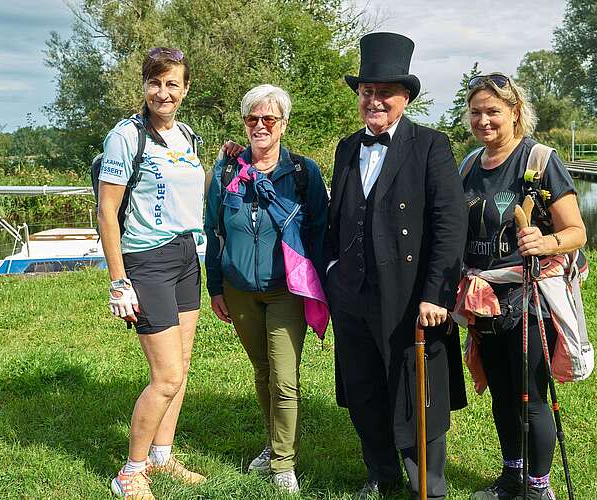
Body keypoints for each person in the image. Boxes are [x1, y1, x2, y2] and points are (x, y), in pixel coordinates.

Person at [325, 32, 468, 500]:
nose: (375, 100)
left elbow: (450, 225)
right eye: (367, 91)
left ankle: (428, 485)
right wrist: (330, 274)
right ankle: (380, 475)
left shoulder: (430, 146)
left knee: (414, 393)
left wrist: (436, 294)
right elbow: (337, 218)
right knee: (364, 390)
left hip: (410, 298)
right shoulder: (347, 148)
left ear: (405, 96)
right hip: (353, 296)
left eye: (385, 92)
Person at [456, 73, 586, 500]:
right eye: (476, 112)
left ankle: (538, 488)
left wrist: (544, 240)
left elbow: (576, 231)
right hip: (484, 296)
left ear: (515, 112)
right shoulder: (470, 164)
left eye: (493, 111)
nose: (484, 120)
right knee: (501, 393)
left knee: (530, 396)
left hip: (529, 296)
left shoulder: (540, 160)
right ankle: (513, 477)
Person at [203, 84, 329, 494]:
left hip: (285, 289)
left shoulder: (302, 173)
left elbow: (320, 231)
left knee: (285, 376)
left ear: (283, 124)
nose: (259, 126)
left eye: (268, 119)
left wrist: (323, 287)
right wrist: (216, 287)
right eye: (252, 119)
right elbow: (213, 232)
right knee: (262, 371)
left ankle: (283, 463)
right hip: (239, 289)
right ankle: (274, 444)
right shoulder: (225, 172)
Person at [98, 46, 206, 499]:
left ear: (185, 89)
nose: (164, 92)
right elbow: (107, 212)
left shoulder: (187, 135)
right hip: (147, 261)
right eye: (155, 83)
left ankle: (162, 456)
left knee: (180, 368)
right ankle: (129, 472)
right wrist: (118, 281)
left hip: (186, 258)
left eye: (173, 84)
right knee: (165, 376)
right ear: (144, 86)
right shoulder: (126, 136)